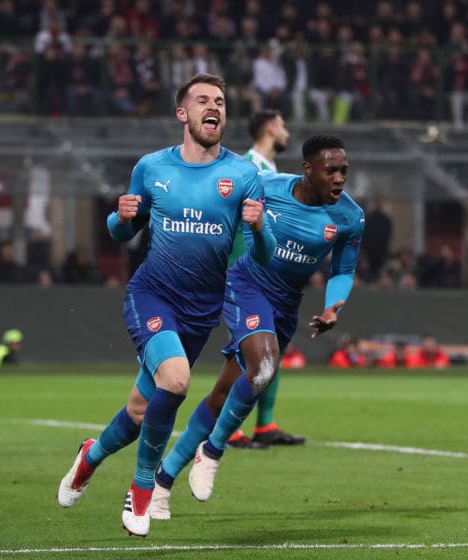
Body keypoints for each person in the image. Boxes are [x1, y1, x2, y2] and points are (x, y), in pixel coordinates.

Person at [54, 73, 275, 538]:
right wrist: (120, 216)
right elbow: (121, 232)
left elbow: (265, 255)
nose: (213, 107)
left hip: (201, 311)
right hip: (152, 294)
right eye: (202, 100)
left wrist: (258, 229)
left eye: (220, 100)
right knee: (175, 382)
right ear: (183, 114)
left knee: (138, 412)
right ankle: (141, 491)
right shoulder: (152, 168)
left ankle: (89, 457)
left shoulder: (243, 175)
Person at [149, 134, 364, 517]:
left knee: (223, 393)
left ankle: (162, 483)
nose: (339, 178)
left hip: (285, 304)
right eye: (330, 170)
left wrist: (334, 306)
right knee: (265, 366)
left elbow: (343, 270)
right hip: (246, 284)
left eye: (344, 171)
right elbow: (219, 210)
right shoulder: (268, 187)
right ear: (308, 169)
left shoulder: (349, 217)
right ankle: (212, 452)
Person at [227, 109, 300, 449]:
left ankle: (265, 424)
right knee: (247, 348)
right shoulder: (244, 168)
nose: (287, 131)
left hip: (272, 274)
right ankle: (232, 428)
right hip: (242, 272)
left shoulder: (273, 173)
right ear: (271, 128)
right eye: (283, 124)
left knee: (273, 347)